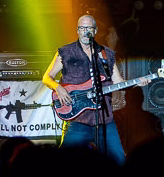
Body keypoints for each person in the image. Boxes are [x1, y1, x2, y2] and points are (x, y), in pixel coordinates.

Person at [41, 13, 144, 164]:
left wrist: (137, 82)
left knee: (119, 161)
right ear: (77, 30)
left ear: (95, 31)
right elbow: (46, 77)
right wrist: (58, 88)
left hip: (104, 120)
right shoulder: (65, 52)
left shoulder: (106, 54)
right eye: (82, 28)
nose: (85, 31)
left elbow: (118, 82)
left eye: (88, 28)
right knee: (64, 163)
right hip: (77, 120)